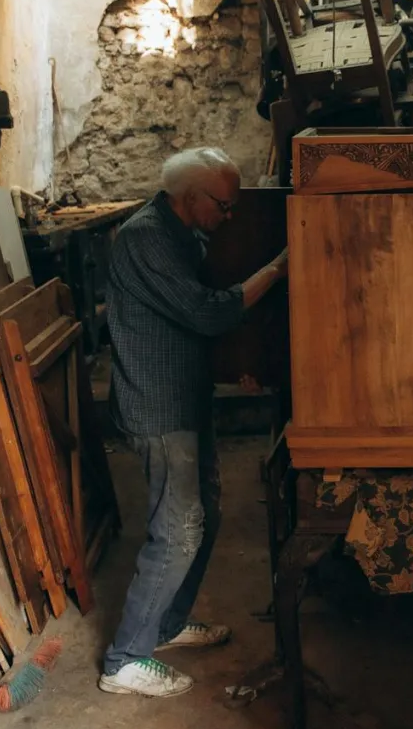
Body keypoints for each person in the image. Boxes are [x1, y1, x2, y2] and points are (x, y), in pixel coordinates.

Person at [98, 147, 288, 698]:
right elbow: (207, 311)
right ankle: (125, 660)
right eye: (224, 206)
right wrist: (276, 269)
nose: (229, 216)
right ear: (191, 198)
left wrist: (243, 363)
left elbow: (205, 318)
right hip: (158, 406)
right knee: (178, 531)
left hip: (187, 397)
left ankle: (168, 624)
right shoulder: (145, 238)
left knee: (205, 515)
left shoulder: (185, 232)